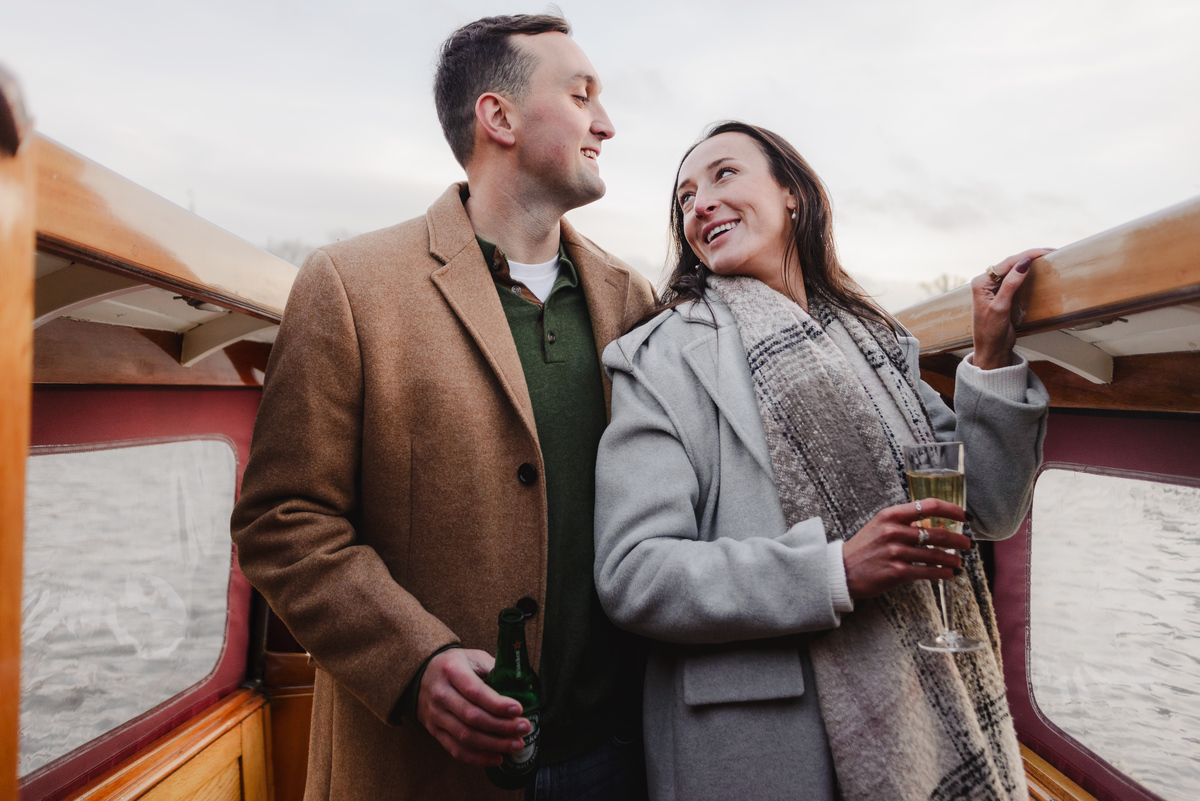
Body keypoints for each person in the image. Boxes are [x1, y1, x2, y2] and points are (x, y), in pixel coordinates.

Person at [231, 14, 655, 801]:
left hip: (619, 756)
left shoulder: (633, 300)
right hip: (421, 772)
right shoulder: (348, 285)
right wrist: (415, 662)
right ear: (498, 117)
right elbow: (282, 520)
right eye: (581, 94)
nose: (607, 122)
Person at [593, 121, 1050, 801]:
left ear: (792, 196)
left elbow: (985, 508)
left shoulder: (875, 345)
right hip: (760, 745)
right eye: (686, 197)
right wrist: (833, 571)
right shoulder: (659, 357)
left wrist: (988, 357)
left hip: (917, 717)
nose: (700, 205)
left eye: (724, 175)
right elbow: (634, 572)